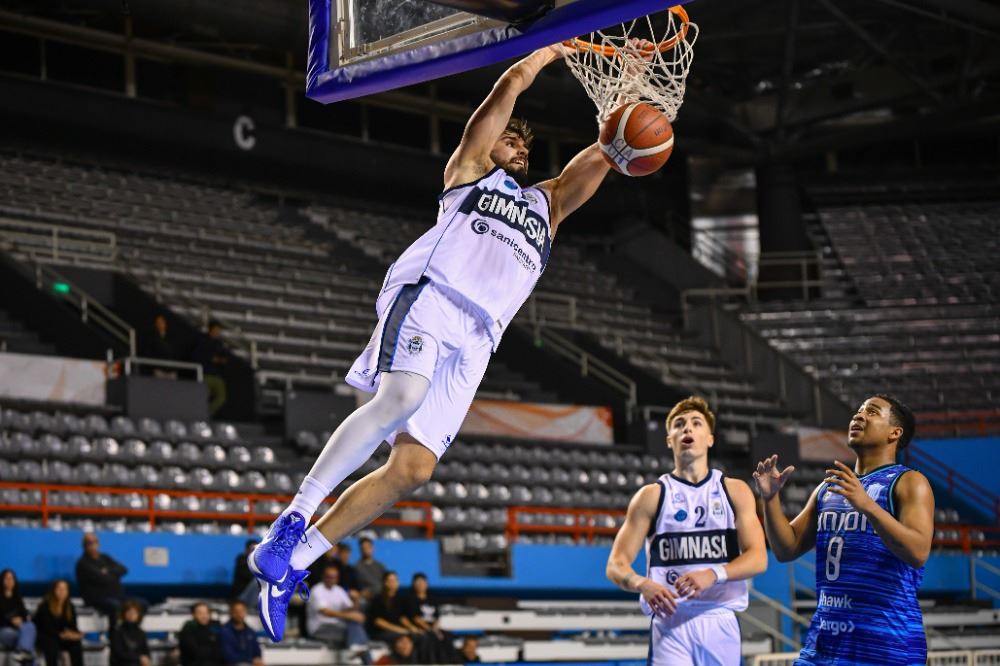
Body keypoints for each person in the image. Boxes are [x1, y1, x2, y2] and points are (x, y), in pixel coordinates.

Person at [247, 41, 620, 641]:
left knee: (414, 469)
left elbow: (599, 159)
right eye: (512, 140)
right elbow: (496, 107)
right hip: (433, 297)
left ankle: (293, 562)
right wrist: (539, 59)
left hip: (478, 340)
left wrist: (624, 127)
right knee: (396, 399)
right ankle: (291, 521)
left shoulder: (545, 207)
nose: (519, 146)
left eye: (527, 144)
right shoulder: (470, 173)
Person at [755, 394, 934, 665]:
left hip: (886, 647)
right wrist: (770, 500)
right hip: (825, 643)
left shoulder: (909, 481)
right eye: (858, 410)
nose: (858, 416)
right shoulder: (829, 488)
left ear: (894, 433)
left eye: (872, 412)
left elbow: (918, 551)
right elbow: (786, 548)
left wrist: (868, 506)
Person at [605, 397, 768, 666]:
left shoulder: (734, 490)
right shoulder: (651, 496)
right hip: (671, 620)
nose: (687, 429)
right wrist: (641, 583)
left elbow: (759, 558)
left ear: (710, 439)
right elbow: (615, 564)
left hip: (719, 617)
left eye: (696, 423)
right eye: (679, 425)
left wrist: (712, 574)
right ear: (670, 440)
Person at [306, 565, 368, 652]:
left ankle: (356, 648)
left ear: (337, 578)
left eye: (334, 577)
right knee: (357, 635)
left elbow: (350, 609)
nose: (331, 579)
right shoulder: (317, 590)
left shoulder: (339, 590)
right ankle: (356, 647)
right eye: (329, 577)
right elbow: (325, 612)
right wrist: (350, 616)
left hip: (337, 627)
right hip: (319, 628)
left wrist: (356, 600)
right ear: (323, 577)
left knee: (356, 627)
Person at [366, 572, 425, 657]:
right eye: (391, 580)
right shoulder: (377, 599)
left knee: (420, 636)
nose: (393, 583)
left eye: (395, 580)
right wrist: (400, 630)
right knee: (402, 638)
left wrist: (412, 628)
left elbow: (402, 618)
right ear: (385, 582)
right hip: (381, 632)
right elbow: (378, 622)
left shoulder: (400, 599)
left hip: (399, 629)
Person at [75, 532, 129, 625]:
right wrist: (114, 574)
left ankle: (132, 633)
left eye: (95, 542)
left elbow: (124, 569)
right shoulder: (83, 563)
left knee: (140, 604)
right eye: (89, 543)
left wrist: (107, 571)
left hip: (116, 596)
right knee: (115, 606)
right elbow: (101, 579)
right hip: (96, 599)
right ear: (84, 546)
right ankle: (114, 635)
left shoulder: (104, 557)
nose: (93, 545)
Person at [405, 573, 460, 664]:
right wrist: (430, 629)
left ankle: (451, 662)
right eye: (418, 583)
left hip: (433, 628)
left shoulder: (432, 598)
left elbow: (437, 617)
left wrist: (435, 628)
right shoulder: (411, 599)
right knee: (429, 638)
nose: (421, 585)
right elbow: (415, 618)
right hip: (420, 629)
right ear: (413, 584)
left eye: (423, 582)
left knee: (447, 636)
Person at [33, 579, 83, 666]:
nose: (62, 592)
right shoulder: (45, 606)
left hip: (60, 637)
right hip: (44, 636)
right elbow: (46, 628)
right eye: (59, 589)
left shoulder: (70, 607)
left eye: (64, 589)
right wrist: (62, 635)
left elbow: (73, 626)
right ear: (54, 590)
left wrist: (76, 634)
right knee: (52, 643)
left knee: (76, 644)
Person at [192, 320, 229, 417]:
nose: (217, 331)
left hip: (217, 375)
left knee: (221, 397)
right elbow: (197, 356)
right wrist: (210, 359)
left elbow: (224, 358)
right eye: (216, 329)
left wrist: (220, 360)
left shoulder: (219, 344)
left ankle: (207, 414)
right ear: (211, 329)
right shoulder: (203, 341)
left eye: (219, 330)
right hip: (206, 374)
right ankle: (199, 415)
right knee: (203, 397)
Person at [0, 569, 36, 664]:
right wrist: (11, 621)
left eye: (12, 578)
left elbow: (24, 616)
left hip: (18, 628)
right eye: (6, 578)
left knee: (30, 626)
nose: (9, 581)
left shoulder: (17, 597)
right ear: (2, 580)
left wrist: (20, 620)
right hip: (3, 630)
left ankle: (23, 652)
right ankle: (27, 655)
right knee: (25, 640)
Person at [218, 601, 263, 666]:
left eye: (242, 611)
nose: (239, 614)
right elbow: (228, 656)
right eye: (236, 611)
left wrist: (257, 660)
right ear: (231, 613)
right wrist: (251, 660)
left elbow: (257, 652)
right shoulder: (224, 632)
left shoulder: (250, 632)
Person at [109, 600, 150, 666]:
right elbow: (119, 655)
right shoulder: (117, 632)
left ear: (138, 615)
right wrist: (138, 658)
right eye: (129, 612)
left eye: (134, 612)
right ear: (124, 614)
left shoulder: (141, 633)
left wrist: (145, 660)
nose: (131, 615)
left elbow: (146, 652)